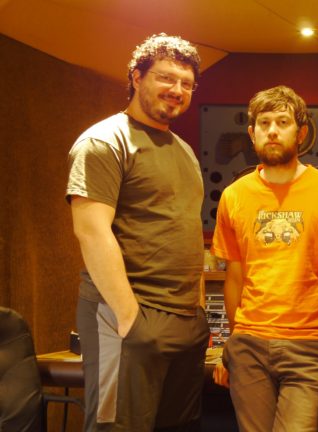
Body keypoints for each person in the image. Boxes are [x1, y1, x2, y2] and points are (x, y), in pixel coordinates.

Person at [66, 34, 209, 431]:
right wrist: (130, 320)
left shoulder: (184, 150)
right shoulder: (103, 141)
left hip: (185, 322)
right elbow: (92, 232)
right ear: (136, 77)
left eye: (186, 83)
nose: (177, 89)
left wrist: (197, 312)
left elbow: (185, 231)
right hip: (129, 317)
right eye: (166, 78)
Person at [210, 85, 318, 432]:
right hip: (249, 346)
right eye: (264, 123)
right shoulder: (233, 196)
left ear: (301, 133)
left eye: (283, 122)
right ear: (251, 133)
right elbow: (235, 277)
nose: (272, 130)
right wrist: (231, 346)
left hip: (312, 344)